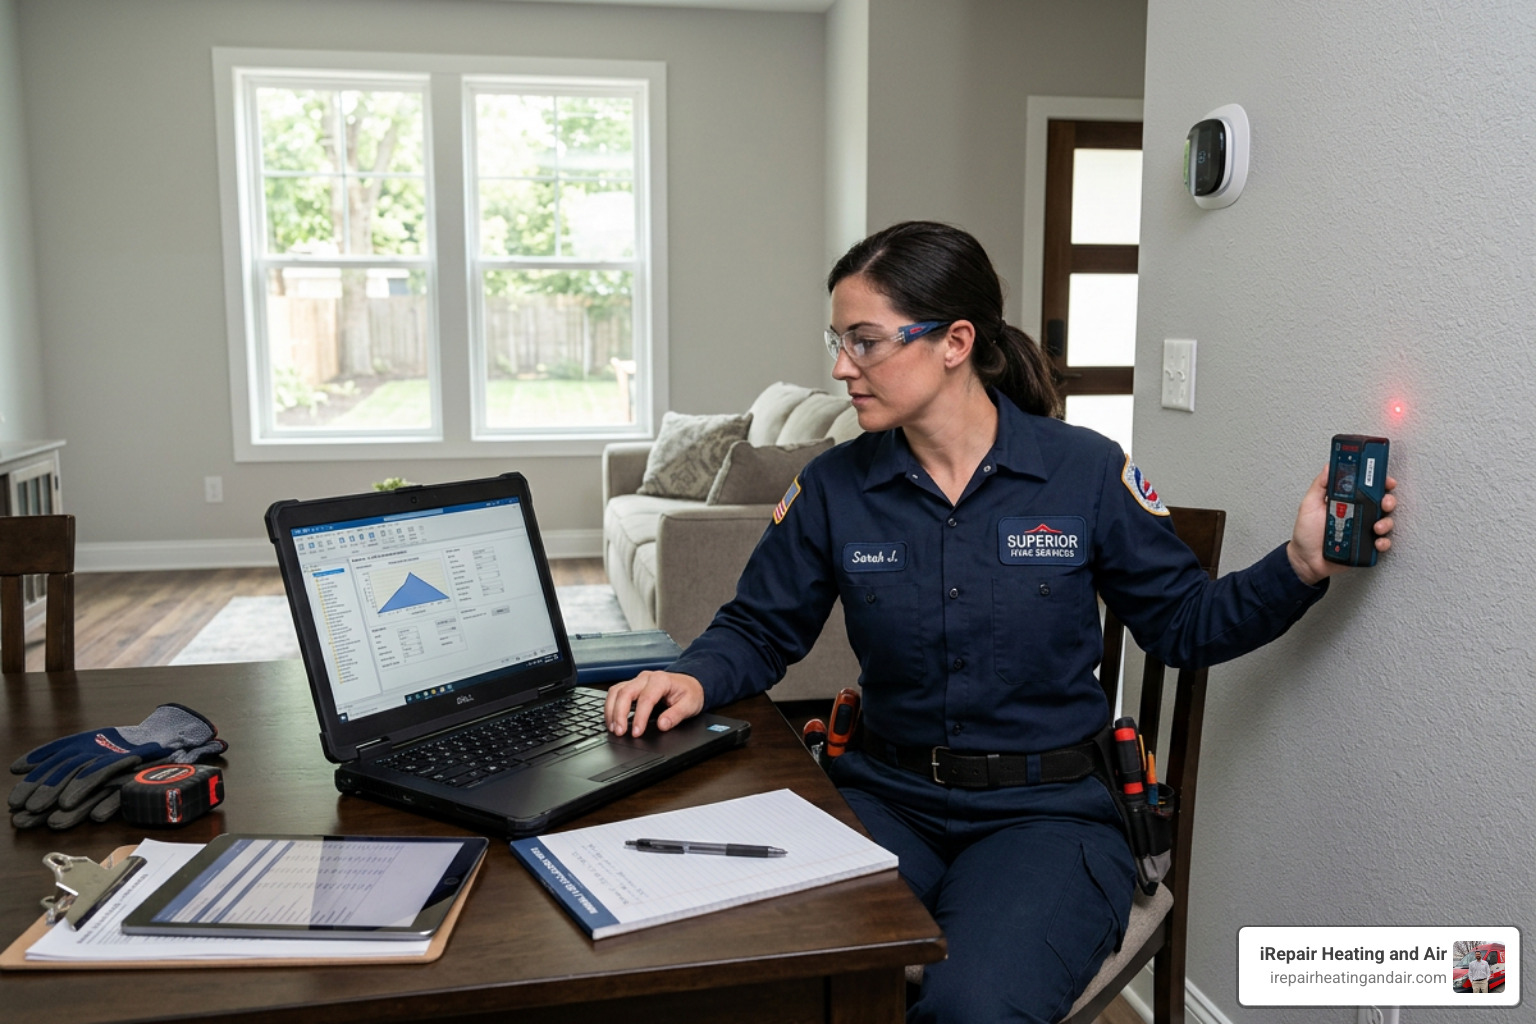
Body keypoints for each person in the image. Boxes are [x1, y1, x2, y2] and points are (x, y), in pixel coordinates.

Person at [604, 221, 1398, 1023]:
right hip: (884, 799)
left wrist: (1300, 563)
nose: (842, 366)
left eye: (865, 341)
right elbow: (759, 627)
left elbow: (1187, 624)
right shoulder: (834, 487)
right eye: (838, 341)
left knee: (972, 1011)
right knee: (766, 970)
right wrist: (690, 676)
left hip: (1048, 816)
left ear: (955, 342)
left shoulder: (1084, 471)